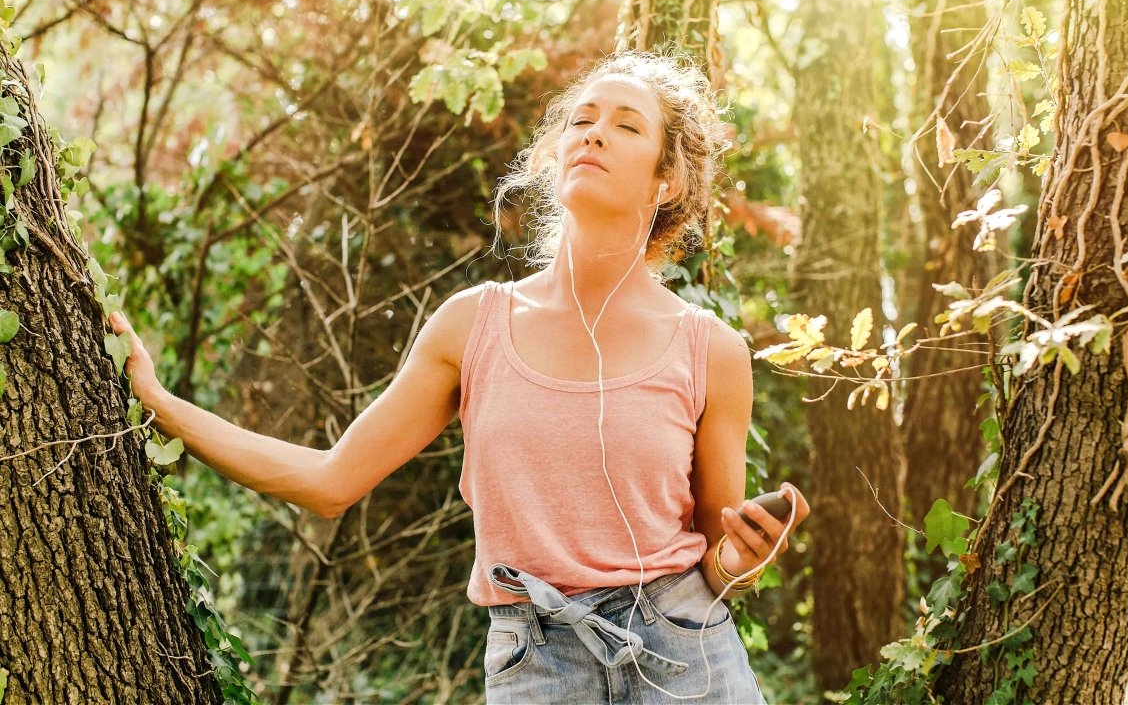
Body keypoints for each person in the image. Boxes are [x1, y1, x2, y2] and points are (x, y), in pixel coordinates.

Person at [110, 51, 810, 704]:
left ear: (668, 179)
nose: (594, 134)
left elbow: (723, 571)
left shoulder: (710, 348)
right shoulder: (470, 325)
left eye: (626, 126)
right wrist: (159, 402)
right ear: (555, 153)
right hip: (537, 665)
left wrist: (747, 553)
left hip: (686, 658)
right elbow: (329, 483)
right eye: (582, 120)